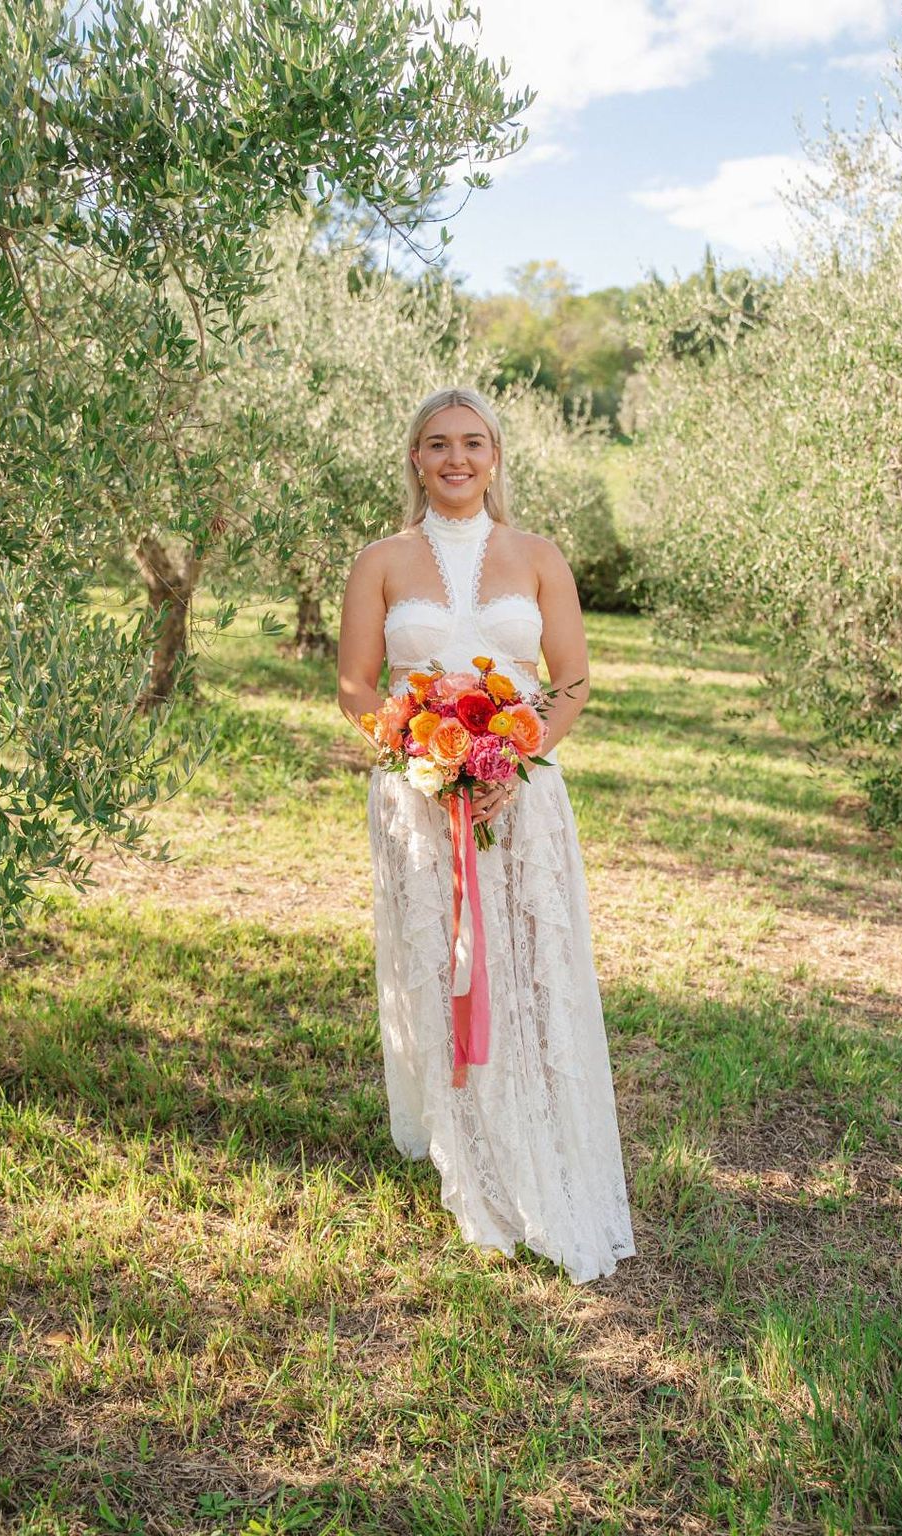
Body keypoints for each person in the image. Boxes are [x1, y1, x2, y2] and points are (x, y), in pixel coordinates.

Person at [337, 386, 636, 1284]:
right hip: (417, 795)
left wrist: (513, 761)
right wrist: (418, 757)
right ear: (416, 460)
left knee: (530, 963)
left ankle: (539, 1135)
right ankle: (464, 1146)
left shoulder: (539, 556)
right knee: (442, 964)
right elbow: (356, 685)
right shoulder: (379, 560)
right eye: (438, 445)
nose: (456, 458)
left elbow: (572, 679)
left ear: (496, 457)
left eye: (473, 443)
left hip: (524, 796)